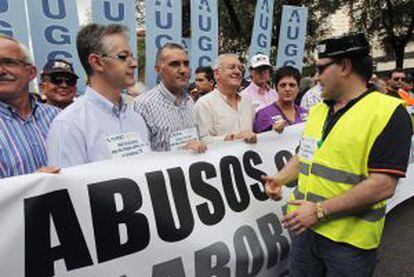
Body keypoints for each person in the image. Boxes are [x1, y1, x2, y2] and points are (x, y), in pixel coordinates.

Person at [263, 33, 412, 276]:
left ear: (344, 66)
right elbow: (305, 155)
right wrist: (280, 178)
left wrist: (320, 211)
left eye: (321, 68)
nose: (316, 77)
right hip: (305, 232)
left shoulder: (389, 113)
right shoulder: (319, 111)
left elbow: (383, 185)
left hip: (349, 245)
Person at [47, 24, 150, 168]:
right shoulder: (68, 125)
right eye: (123, 57)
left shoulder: (136, 119)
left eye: (131, 56)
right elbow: (68, 188)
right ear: (97, 62)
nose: (133, 63)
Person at [0, 35, 60, 177]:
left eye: (8, 62)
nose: (0, 71)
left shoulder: (58, 116)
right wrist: (32, 184)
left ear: (31, 72)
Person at [134, 43, 206, 152]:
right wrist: (179, 152)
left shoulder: (189, 101)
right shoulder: (143, 105)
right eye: (174, 64)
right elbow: (140, 157)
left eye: (186, 64)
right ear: (158, 69)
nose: (183, 70)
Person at [194, 54, 256, 143]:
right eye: (231, 67)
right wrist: (233, 138)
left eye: (240, 68)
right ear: (216, 74)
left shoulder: (248, 103)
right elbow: (202, 140)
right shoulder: (204, 104)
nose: (237, 71)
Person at [253, 66, 308, 133]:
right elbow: (258, 140)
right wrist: (272, 132)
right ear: (276, 88)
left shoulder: (305, 113)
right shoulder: (264, 114)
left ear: (298, 88)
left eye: (292, 85)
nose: (287, 89)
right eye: (283, 85)